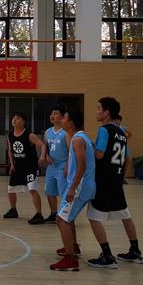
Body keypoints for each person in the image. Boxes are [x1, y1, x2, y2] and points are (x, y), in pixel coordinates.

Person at [85, 97, 143, 268]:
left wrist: (88, 146)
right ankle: (135, 250)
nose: (96, 111)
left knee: (93, 217)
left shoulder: (104, 130)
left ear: (106, 112)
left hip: (104, 180)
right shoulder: (122, 134)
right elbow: (124, 158)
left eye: (99, 108)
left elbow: (99, 154)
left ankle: (107, 256)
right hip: (116, 180)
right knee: (125, 215)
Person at [50, 110, 96, 272]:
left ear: (70, 123)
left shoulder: (77, 140)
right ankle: (73, 247)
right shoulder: (79, 137)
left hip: (79, 187)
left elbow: (82, 166)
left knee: (61, 219)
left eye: (64, 117)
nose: (61, 119)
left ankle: (70, 260)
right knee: (67, 219)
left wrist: (72, 188)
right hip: (82, 185)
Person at [3, 112, 47, 223]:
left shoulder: (29, 135)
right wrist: (12, 164)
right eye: (13, 118)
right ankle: (13, 210)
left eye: (17, 118)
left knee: (32, 189)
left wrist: (42, 156)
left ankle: (39, 214)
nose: (14, 120)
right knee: (11, 189)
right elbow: (10, 150)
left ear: (23, 122)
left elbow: (42, 145)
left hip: (30, 166)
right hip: (18, 166)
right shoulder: (10, 135)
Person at [42, 104, 68, 224]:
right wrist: (45, 155)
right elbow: (45, 146)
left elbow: (71, 150)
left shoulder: (66, 132)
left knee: (64, 192)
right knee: (50, 191)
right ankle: (53, 214)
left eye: (55, 114)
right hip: (51, 166)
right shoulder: (48, 132)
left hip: (63, 166)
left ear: (62, 117)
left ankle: (64, 215)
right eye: (51, 114)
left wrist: (68, 165)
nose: (52, 116)